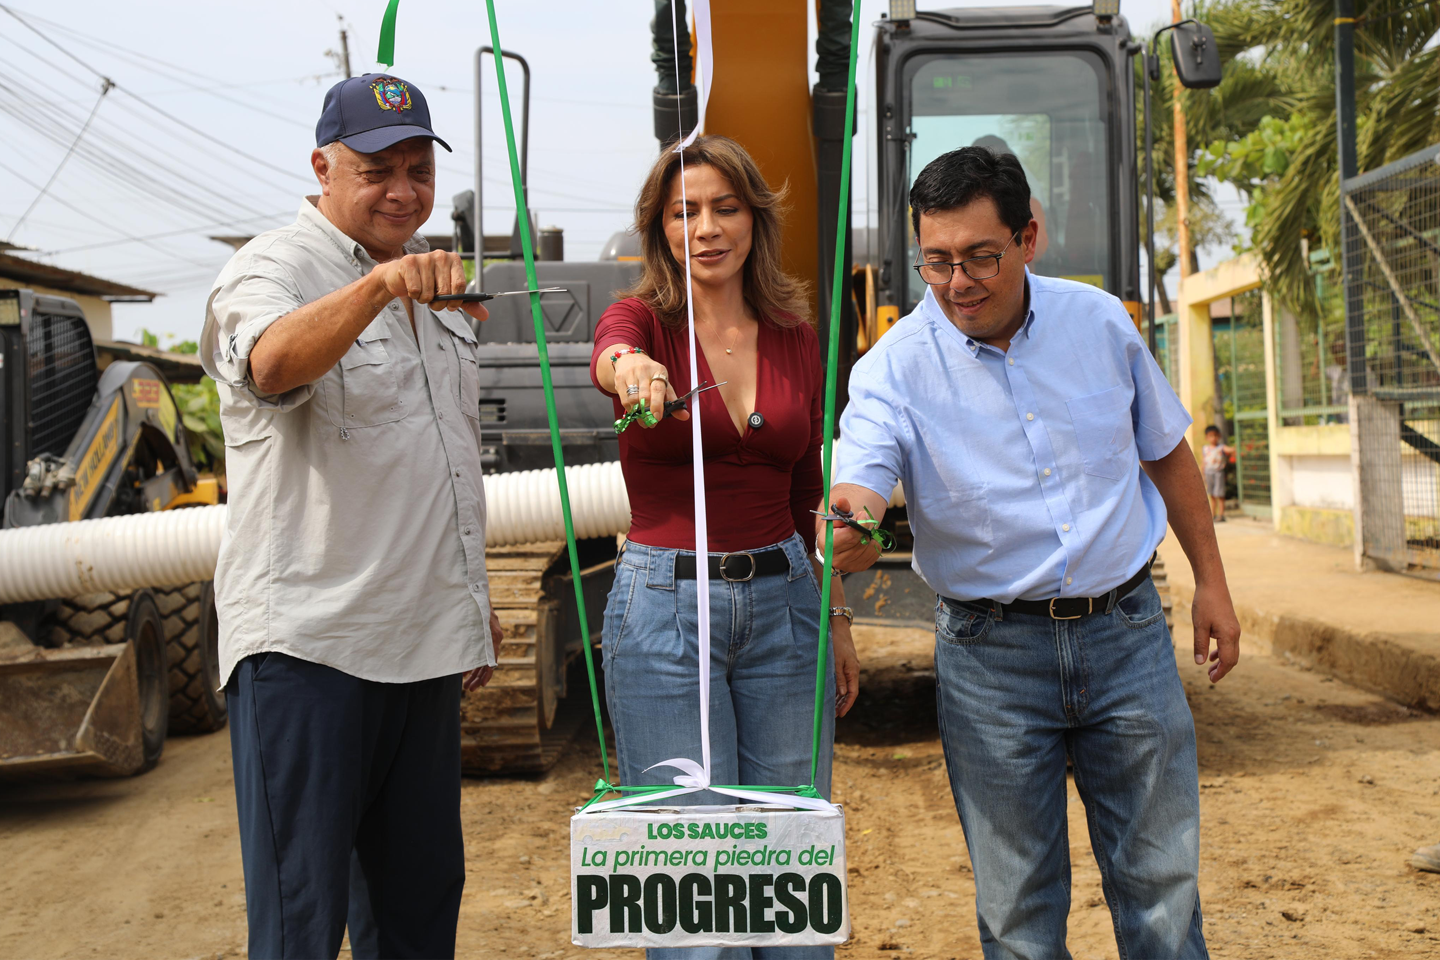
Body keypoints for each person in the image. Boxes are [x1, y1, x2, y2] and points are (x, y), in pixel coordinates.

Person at [821, 146, 1242, 960]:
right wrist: (855, 520)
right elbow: (862, 473)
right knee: (1018, 911)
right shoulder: (894, 368)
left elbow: (1166, 453)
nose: (957, 282)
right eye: (936, 260)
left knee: (1161, 888)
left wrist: (1212, 584)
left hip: (1126, 635)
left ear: (1028, 238)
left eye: (980, 256)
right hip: (991, 662)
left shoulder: (1100, 323)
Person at [199, 73, 502, 960]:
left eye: (418, 169)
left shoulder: (435, 288)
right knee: (300, 925)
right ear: (323, 168)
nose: (402, 190)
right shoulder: (273, 268)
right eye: (377, 169)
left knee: (418, 917)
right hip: (309, 651)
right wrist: (376, 290)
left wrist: (471, 596)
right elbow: (269, 365)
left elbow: (444, 455)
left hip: (422, 648)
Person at [590, 134, 860, 960]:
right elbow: (610, 352)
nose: (705, 228)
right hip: (664, 613)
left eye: (725, 208)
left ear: (754, 219)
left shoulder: (795, 333)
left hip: (787, 602)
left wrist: (836, 616)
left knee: (789, 879)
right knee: (690, 892)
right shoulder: (642, 321)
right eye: (684, 213)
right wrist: (632, 370)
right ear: (660, 229)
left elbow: (807, 489)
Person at [1202, 424, 1235, 522]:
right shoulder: (1205, 449)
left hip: (1218, 473)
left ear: (1219, 436)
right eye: (1211, 436)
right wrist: (1203, 474)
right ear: (1207, 437)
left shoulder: (1221, 447)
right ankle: (1213, 515)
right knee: (1212, 495)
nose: (1213, 438)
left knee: (1220, 494)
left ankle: (1221, 515)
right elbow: (1203, 462)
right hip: (1208, 473)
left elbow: (1231, 450)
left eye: (1215, 435)